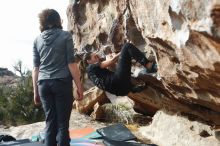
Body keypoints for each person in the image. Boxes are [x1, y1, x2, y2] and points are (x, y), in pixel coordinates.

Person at [32, 9, 83, 146]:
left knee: (50, 123)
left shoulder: (37, 40)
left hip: (43, 84)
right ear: (57, 20)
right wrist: (79, 87)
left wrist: (36, 92)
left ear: (42, 22)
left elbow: (36, 68)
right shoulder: (65, 36)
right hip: (61, 82)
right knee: (62, 125)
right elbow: (71, 63)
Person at [83, 43, 157, 96]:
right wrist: (121, 53)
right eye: (95, 57)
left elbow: (106, 80)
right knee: (127, 46)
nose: (98, 58)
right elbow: (112, 60)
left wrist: (112, 58)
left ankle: (133, 87)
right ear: (88, 61)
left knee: (113, 74)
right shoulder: (91, 66)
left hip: (122, 91)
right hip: (119, 80)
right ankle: (149, 65)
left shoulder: (91, 75)